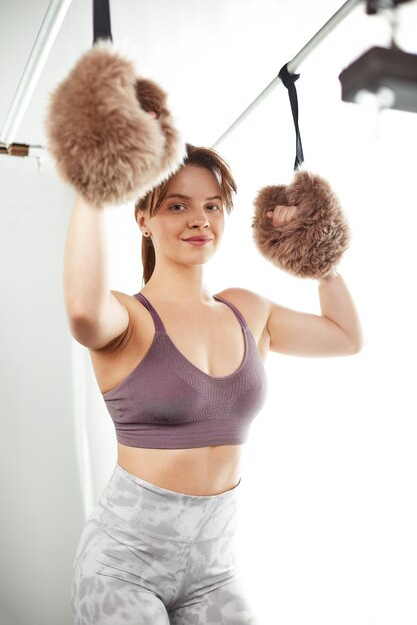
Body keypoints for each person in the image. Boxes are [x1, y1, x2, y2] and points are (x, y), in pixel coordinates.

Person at [67, 136, 363, 624]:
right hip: (122, 567)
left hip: (214, 571)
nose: (200, 219)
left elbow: (345, 337)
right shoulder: (127, 316)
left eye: (212, 205)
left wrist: (317, 249)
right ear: (143, 219)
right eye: (178, 205)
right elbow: (81, 311)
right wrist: (93, 186)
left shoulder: (247, 309)